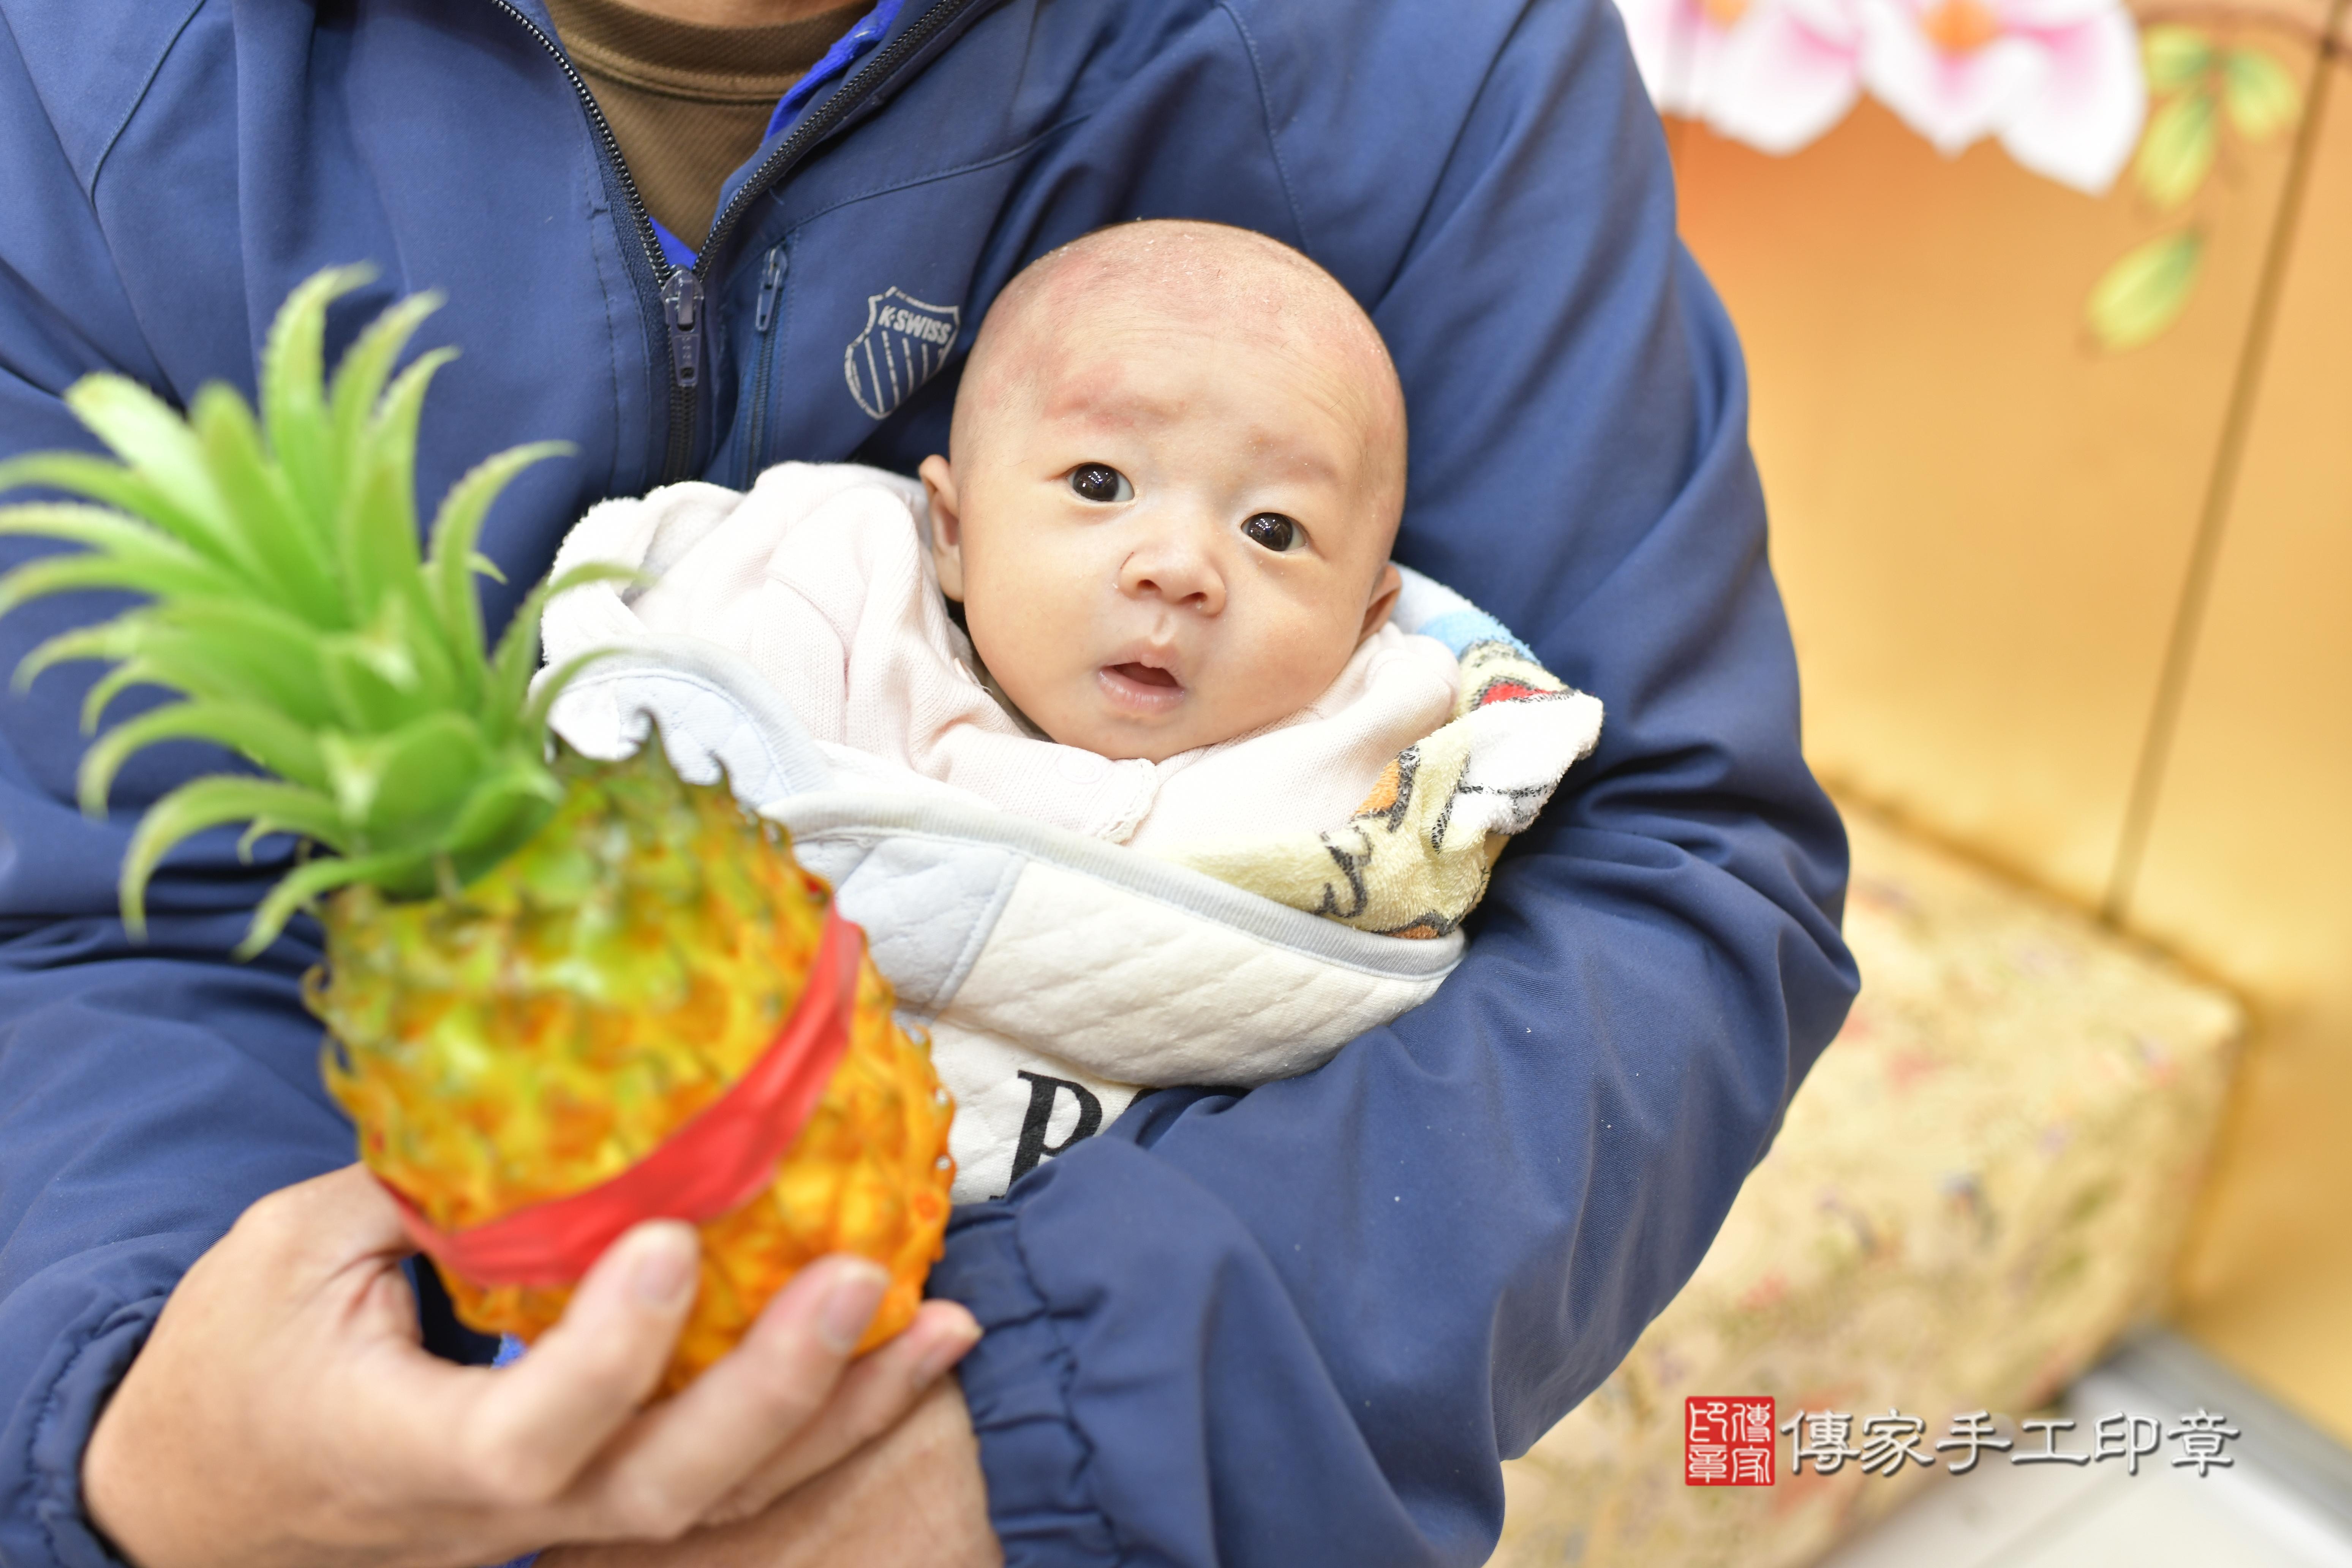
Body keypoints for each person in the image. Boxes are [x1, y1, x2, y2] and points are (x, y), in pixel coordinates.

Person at [0, 2, 1859, 1566]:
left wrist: (1039, 1441)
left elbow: (1671, 876)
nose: (1180, 573)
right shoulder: (76, 84)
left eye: (1270, 529)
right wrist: (132, 1413)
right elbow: (69, 918)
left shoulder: (1429, 56)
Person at [539, 218, 1605, 1204]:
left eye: (1274, 531)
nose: (1181, 570)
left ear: (1369, 616)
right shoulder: (844, 599)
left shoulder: (1370, 744)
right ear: (951, 531)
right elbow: (656, 774)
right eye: (1100, 482)